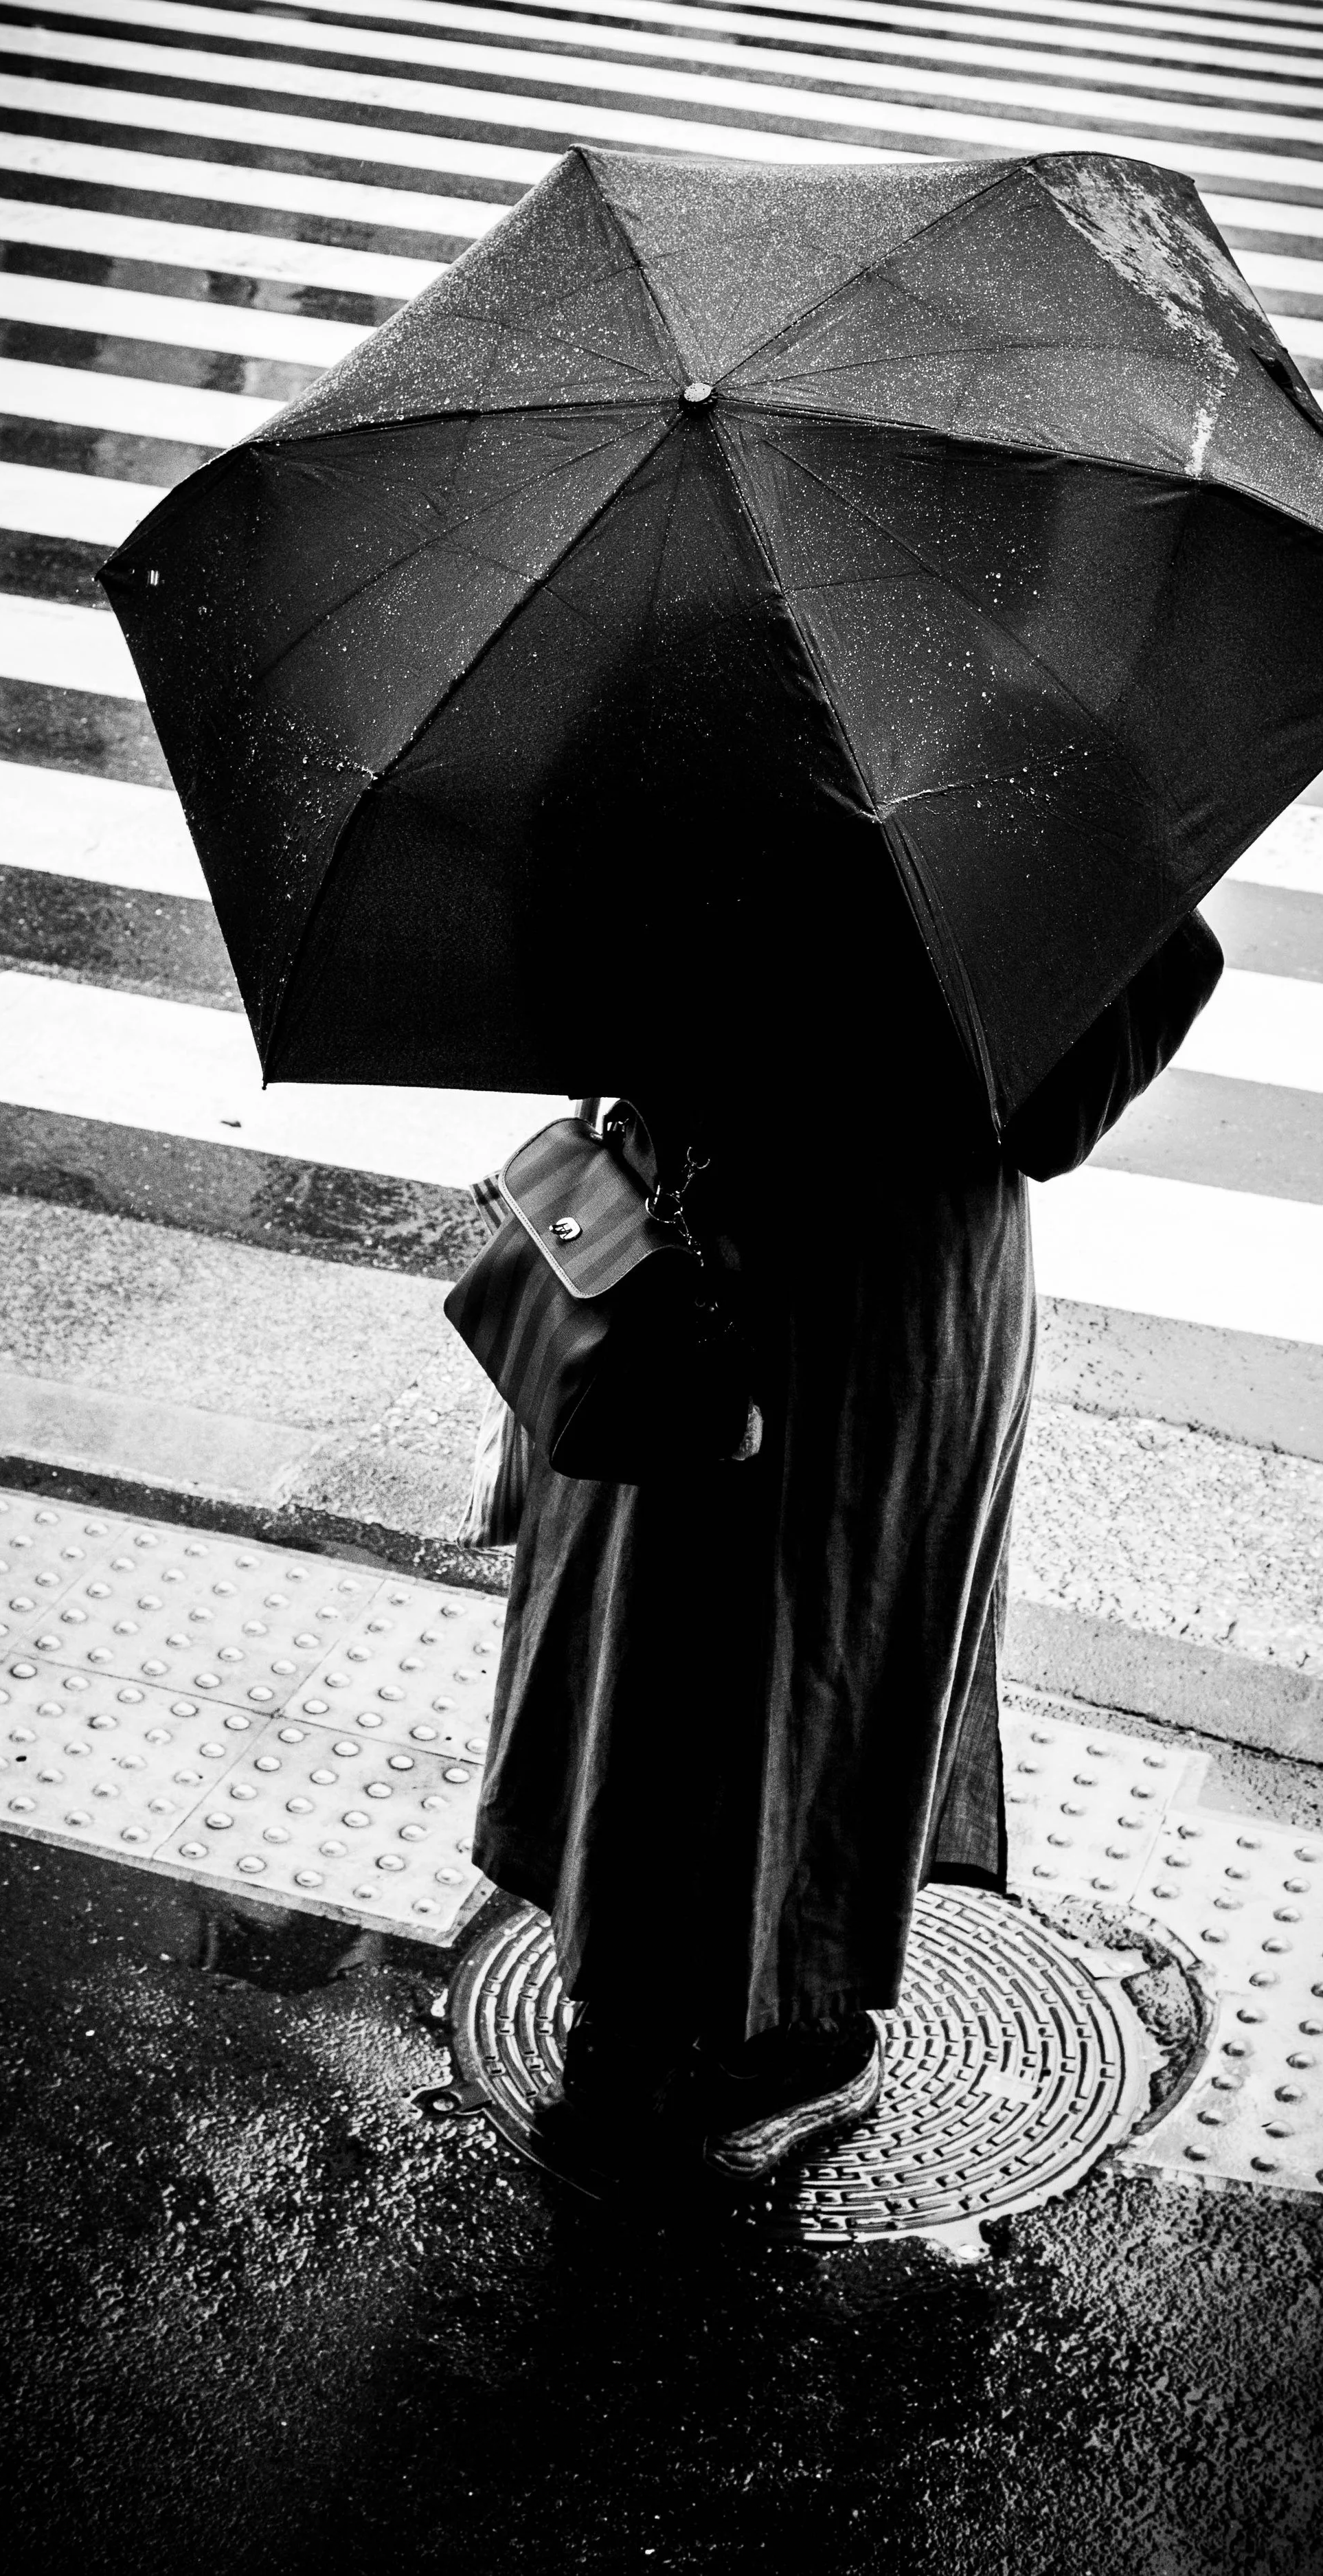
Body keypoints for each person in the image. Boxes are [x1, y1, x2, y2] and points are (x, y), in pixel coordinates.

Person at [471, 903, 1223, 2184]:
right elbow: (1059, 1112)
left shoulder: (649, 718)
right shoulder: (1017, 775)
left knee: (649, 1613)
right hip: (893, 1285)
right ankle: (787, 2019)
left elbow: (557, 971)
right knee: (832, 1635)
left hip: (668, 1261)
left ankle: (626, 2012)